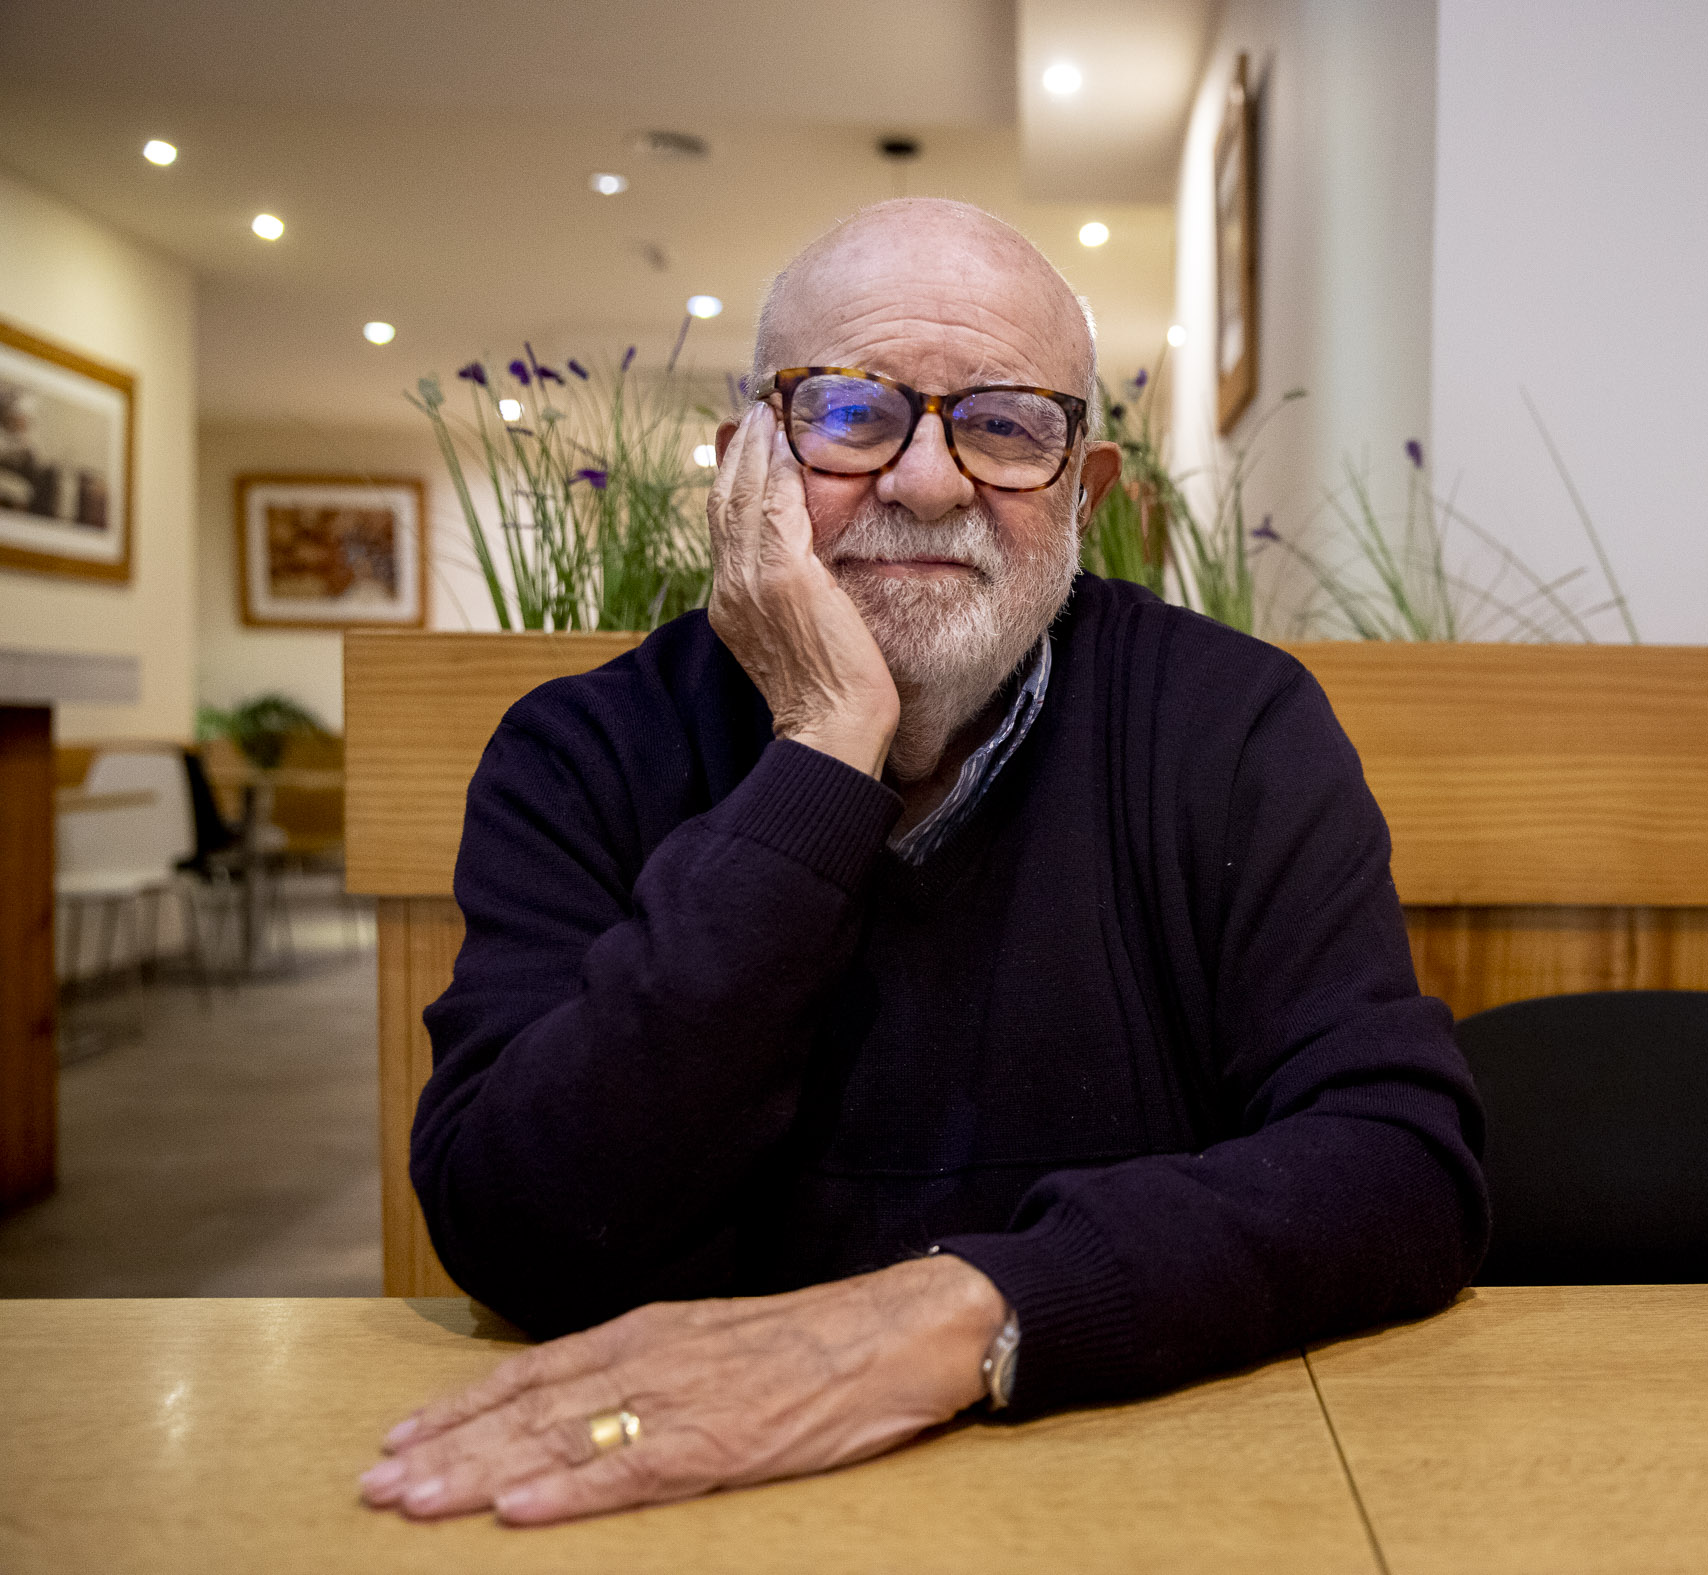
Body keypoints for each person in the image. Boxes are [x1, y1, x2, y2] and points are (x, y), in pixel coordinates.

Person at [359, 198, 1486, 1527]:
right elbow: (520, 1228)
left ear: (1085, 493)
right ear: (741, 468)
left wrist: (954, 1319)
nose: (930, 482)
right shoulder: (580, 753)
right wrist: (825, 748)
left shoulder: (1232, 727)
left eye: (1005, 427)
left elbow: (1398, 1164)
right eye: (851, 414)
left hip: (1139, 1491)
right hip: (678, 1512)